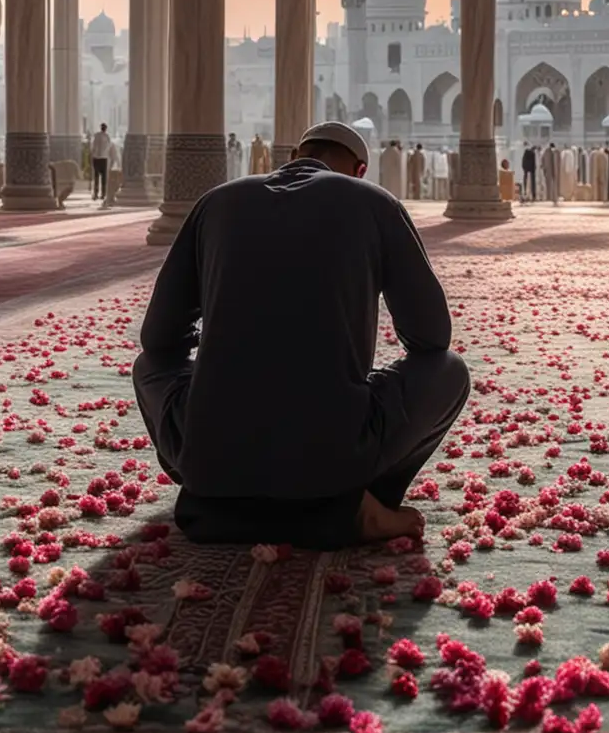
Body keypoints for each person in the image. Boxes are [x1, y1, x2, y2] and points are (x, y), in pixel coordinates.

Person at [133, 121, 469, 547]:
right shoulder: (374, 203)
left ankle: (220, 491)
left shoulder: (217, 202)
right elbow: (432, 337)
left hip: (212, 456)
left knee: (151, 366)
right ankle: (351, 503)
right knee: (449, 370)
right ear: (360, 169)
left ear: (292, 157)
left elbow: (158, 341)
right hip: (335, 449)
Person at [90, 123, 113, 199]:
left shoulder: (97, 135)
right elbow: (109, 147)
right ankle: (102, 194)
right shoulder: (107, 137)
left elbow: (93, 146)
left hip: (97, 158)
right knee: (102, 177)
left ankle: (98, 193)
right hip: (103, 158)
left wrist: (93, 154)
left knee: (97, 177)